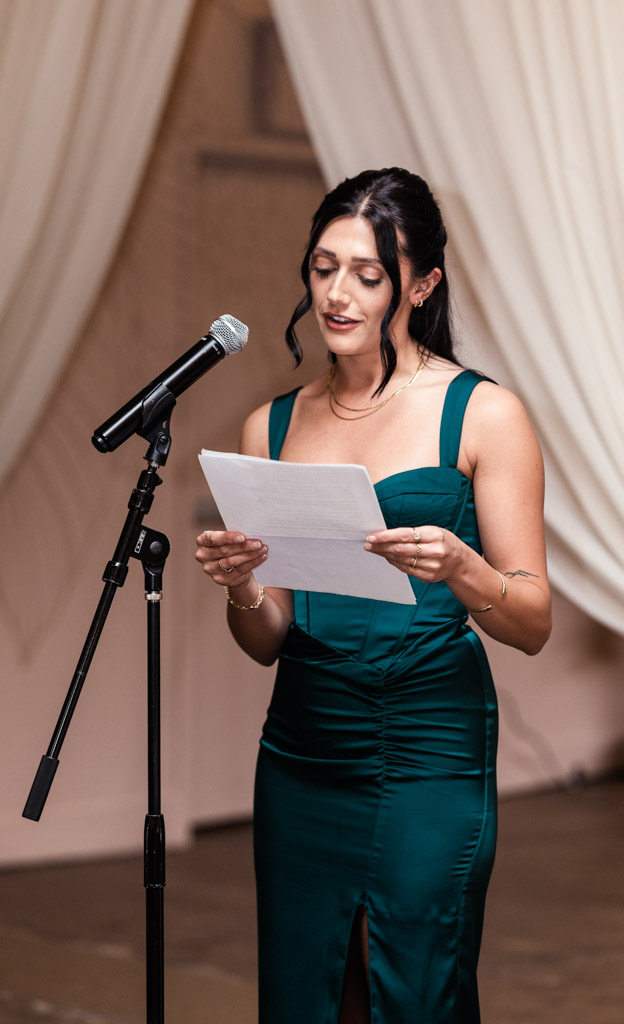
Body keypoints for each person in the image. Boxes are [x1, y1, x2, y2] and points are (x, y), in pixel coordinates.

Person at [196, 167, 551, 1023]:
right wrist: (243, 585)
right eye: (323, 268)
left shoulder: (483, 413)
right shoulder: (270, 425)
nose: (338, 294)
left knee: (415, 984)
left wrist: (462, 568)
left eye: (368, 273)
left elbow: (533, 620)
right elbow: (269, 637)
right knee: (308, 989)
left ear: (420, 285)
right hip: (303, 746)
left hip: (429, 743)